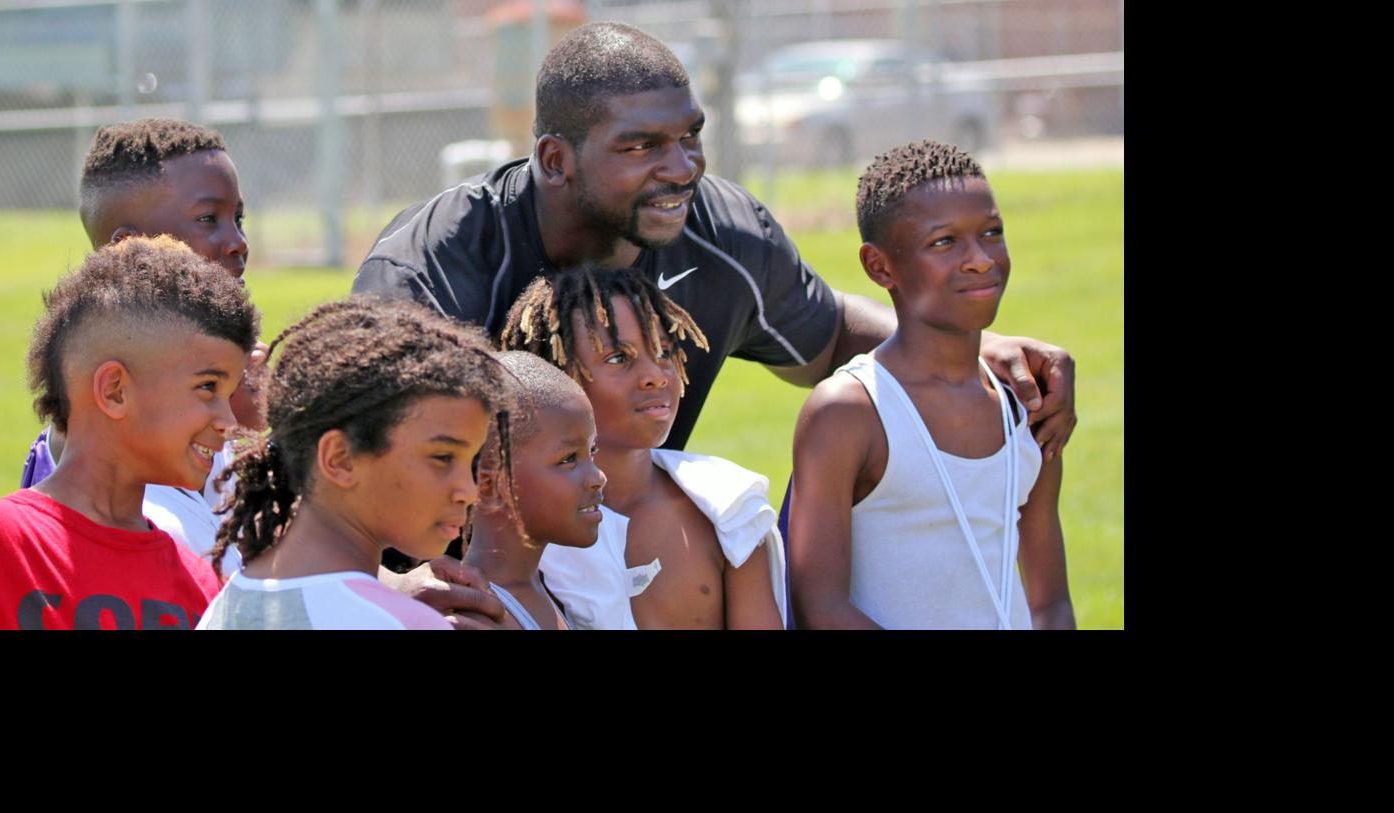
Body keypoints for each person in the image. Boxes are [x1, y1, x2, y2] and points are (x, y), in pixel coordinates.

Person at [351, 21, 1075, 458]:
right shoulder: (436, 263)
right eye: (642, 148)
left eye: (691, 137)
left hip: (630, 563)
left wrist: (978, 353)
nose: (682, 168)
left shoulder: (721, 230)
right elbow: (359, 442)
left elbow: (828, 339)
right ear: (554, 161)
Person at [788, 141, 1072, 630]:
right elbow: (822, 608)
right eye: (945, 242)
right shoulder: (849, 411)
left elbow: (1049, 603)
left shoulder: (1026, 401)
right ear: (880, 267)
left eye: (992, 233)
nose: (981, 259)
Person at [0, 236, 256, 629]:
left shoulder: (205, 589)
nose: (227, 422)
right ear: (115, 390)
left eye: (230, 394)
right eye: (208, 388)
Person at [17, 118, 264, 577]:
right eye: (209, 219)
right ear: (129, 247)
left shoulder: (222, 403)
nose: (238, 242)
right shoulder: (117, 455)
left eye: (238, 218)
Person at [198, 297, 513, 630]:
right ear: (340, 459)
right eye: (443, 458)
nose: (469, 491)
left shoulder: (226, 606)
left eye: (470, 462)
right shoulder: (402, 623)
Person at [499, 266, 784, 629]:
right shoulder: (526, 528)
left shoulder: (728, 508)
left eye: (664, 351)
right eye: (619, 357)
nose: (655, 374)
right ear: (557, 375)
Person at [461, 351, 607, 630]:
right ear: (491, 485)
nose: (598, 477)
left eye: (592, 451)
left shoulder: (545, 590)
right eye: (568, 459)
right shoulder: (478, 619)